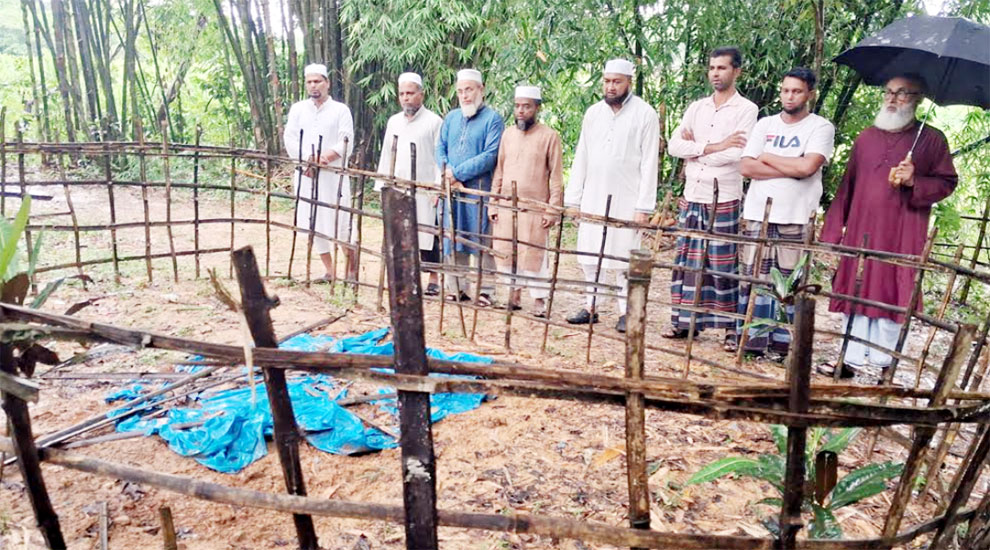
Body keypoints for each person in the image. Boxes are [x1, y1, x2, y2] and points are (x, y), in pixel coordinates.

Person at [820, 74, 957, 376]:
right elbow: (848, 185)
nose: (893, 99)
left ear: (918, 98)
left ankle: (886, 364)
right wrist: (834, 228)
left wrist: (914, 180)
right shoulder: (866, 137)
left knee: (893, 293)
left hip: (902, 232)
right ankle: (848, 359)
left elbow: (947, 182)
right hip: (861, 229)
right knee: (855, 288)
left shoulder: (932, 139)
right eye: (889, 92)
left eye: (903, 93)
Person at [738, 67, 835, 358]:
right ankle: (753, 342)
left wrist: (767, 157)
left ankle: (782, 345)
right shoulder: (765, 123)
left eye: (797, 91)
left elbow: (807, 168)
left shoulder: (820, 127)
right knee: (755, 277)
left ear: (810, 94)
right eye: (785, 90)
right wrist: (789, 165)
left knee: (790, 282)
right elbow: (746, 167)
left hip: (796, 215)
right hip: (759, 212)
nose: (789, 96)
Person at [666, 46, 758, 351]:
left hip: (725, 196)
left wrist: (700, 149)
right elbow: (675, 146)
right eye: (712, 68)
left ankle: (731, 329)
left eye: (722, 68)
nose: (715, 73)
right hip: (694, 194)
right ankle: (683, 321)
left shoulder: (746, 109)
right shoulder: (697, 107)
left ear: (736, 72)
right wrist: (713, 146)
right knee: (687, 259)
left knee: (722, 263)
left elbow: (737, 155)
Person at [564, 59, 660, 333]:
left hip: (627, 199)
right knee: (590, 254)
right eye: (607, 81)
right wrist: (574, 198)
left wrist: (644, 206)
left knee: (622, 257)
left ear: (629, 81)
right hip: (593, 195)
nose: (610, 86)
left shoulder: (645, 114)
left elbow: (649, 163)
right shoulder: (593, 113)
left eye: (617, 81)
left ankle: (624, 311)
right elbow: (581, 156)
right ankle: (591, 306)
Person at [489, 85, 564, 316]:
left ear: (537, 108)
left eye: (527, 107)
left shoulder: (549, 136)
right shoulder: (508, 135)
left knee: (533, 254)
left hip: (534, 208)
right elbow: (499, 171)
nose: (521, 111)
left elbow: (556, 176)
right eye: (518, 106)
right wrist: (493, 201)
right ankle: (514, 294)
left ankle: (540, 299)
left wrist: (552, 210)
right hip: (506, 205)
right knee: (507, 250)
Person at [435, 68, 504, 306]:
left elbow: (490, 155)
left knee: (482, 239)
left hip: (478, 191)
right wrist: (447, 172)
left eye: (469, 90)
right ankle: (456, 287)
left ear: (481, 90)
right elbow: (440, 148)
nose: (465, 95)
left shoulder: (493, 119)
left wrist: (457, 173)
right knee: (454, 236)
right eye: (461, 91)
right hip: (452, 190)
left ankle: (486, 291)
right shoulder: (451, 118)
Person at [284, 63, 355, 281]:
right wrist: (308, 161)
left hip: (332, 175)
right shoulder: (297, 109)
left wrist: (323, 158)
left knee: (341, 219)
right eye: (309, 82)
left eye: (318, 81)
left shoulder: (340, 110)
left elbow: (346, 141)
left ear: (327, 83)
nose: (314, 86)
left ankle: (351, 271)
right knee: (311, 219)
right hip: (306, 174)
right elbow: (290, 138)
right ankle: (330, 271)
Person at [375, 72, 444, 295]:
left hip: (425, 189)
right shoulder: (393, 122)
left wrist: (437, 185)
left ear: (421, 95)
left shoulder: (435, 122)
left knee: (428, 234)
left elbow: (440, 157)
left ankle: (433, 279)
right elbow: (386, 154)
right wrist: (383, 186)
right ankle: (404, 277)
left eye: (410, 93)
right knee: (400, 233)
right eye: (402, 94)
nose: (406, 98)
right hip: (398, 187)